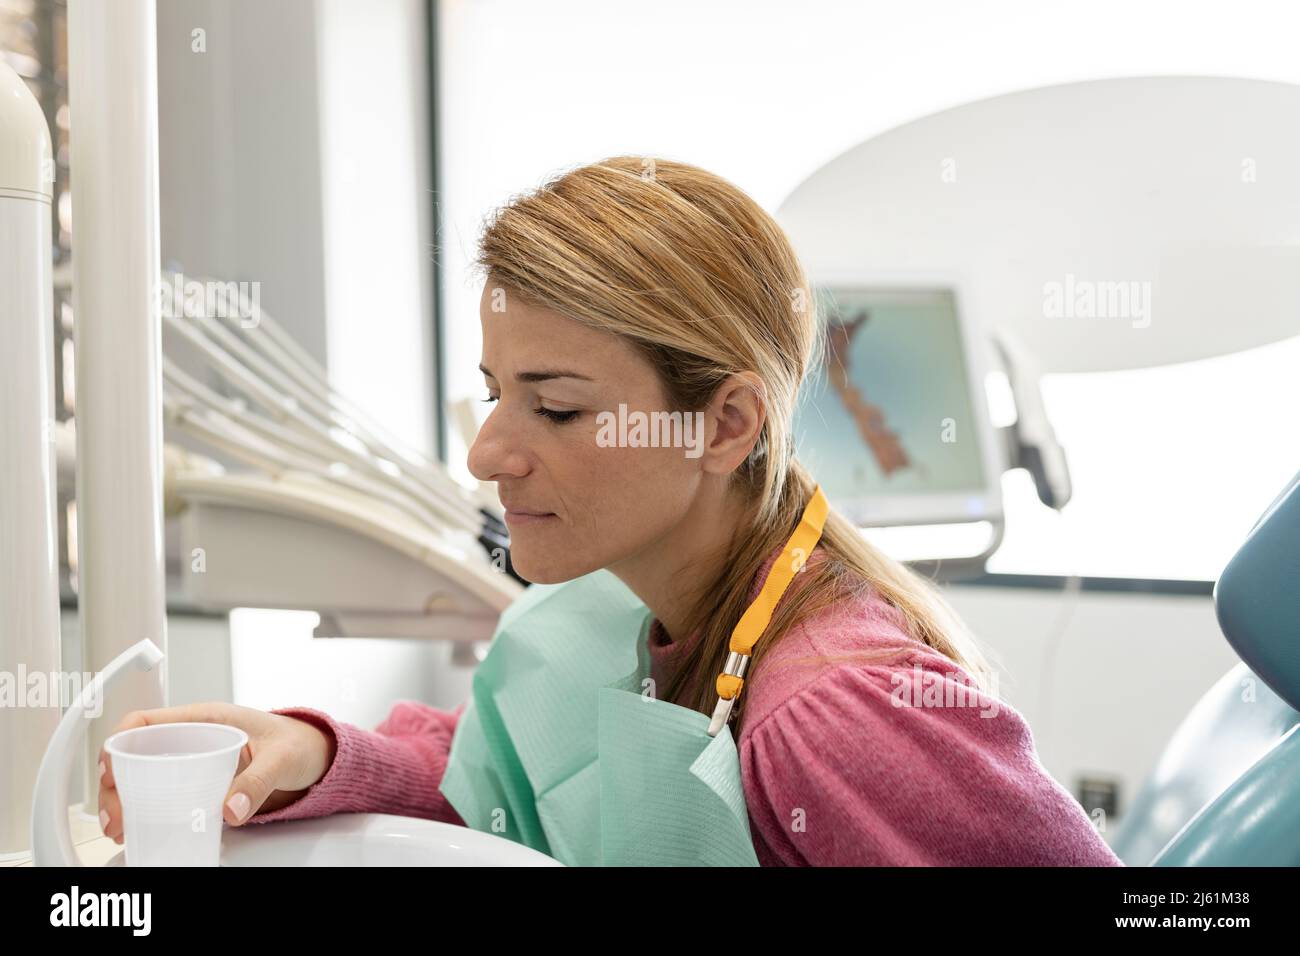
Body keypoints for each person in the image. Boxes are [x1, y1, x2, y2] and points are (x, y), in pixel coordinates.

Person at [98, 156, 1122, 866]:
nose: (488, 450)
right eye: (497, 390)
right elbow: (489, 778)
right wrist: (313, 751)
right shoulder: (622, 617)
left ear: (723, 425)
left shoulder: (841, 713)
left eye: (556, 406)